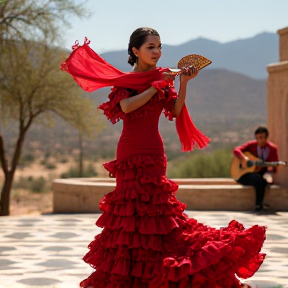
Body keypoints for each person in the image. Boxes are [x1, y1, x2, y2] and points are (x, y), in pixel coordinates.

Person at [62, 28, 266, 288]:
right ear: (135, 51)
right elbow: (126, 107)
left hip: (154, 154)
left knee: (158, 216)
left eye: (159, 47)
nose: (157, 52)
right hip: (129, 153)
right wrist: (153, 88)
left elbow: (176, 110)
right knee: (129, 218)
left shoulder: (165, 77)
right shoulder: (127, 81)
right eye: (151, 47)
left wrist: (183, 84)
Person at [233, 126, 279, 211]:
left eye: (263, 137)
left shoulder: (272, 149)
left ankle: (258, 204)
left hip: (260, 174)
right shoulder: (251, 145)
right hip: (244, 175)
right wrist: (243, 158)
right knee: (259, 181)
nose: (261, 140)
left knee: (260, 181)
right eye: (259, 138)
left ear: (266, 137)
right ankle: (259, 204)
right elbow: (236, 150)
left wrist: (269, 173)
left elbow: (274, 169)